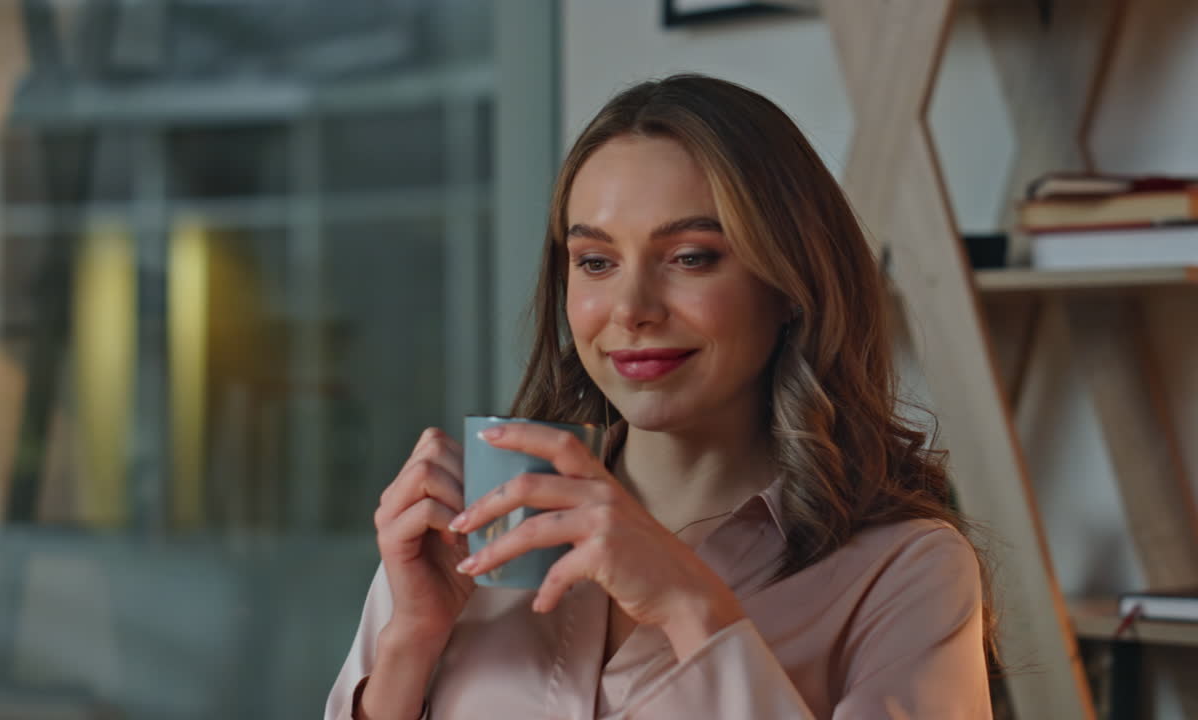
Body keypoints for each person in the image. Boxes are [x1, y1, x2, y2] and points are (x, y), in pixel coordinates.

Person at [326, 74, 995, 719]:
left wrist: (691, 607)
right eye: (596, 262)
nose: (631, 309)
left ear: (792, 283)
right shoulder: (476, 531)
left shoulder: (907, 572)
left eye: (691, 257)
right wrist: (410, 640)